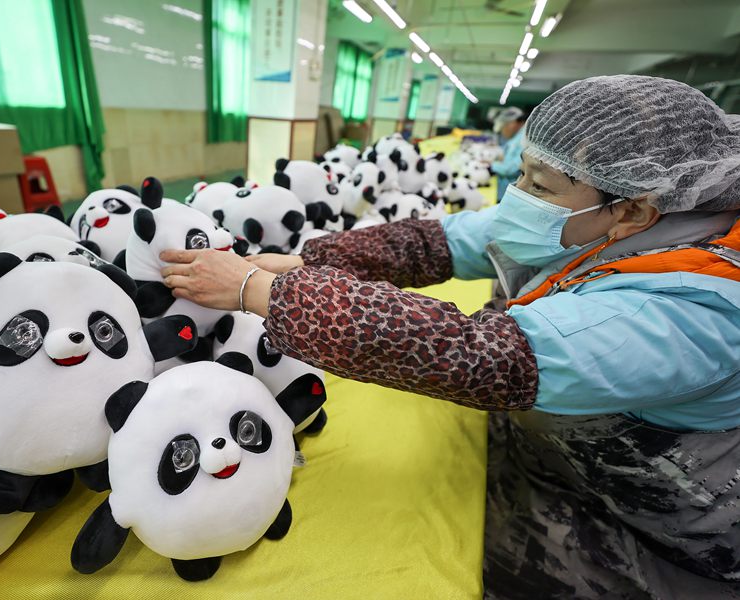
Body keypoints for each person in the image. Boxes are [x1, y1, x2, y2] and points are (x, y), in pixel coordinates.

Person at [159, 75, 740, 599]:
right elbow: (444, 240)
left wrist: (262, 293)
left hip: (658, 522)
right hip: (564, 459)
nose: (517, 195)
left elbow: (477, 354)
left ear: (632, 212)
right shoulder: (597, 221)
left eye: (539, 185)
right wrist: (313, 260)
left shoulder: (695, 308)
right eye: (521, 173)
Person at [491, 107, 527, 201]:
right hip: (505, 190)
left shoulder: (524, 139)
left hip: (511, 193)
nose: (504, 130)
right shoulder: (517, 137)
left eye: (505, 125)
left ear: (515, 123)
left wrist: (490, 166)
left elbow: (511, 169)